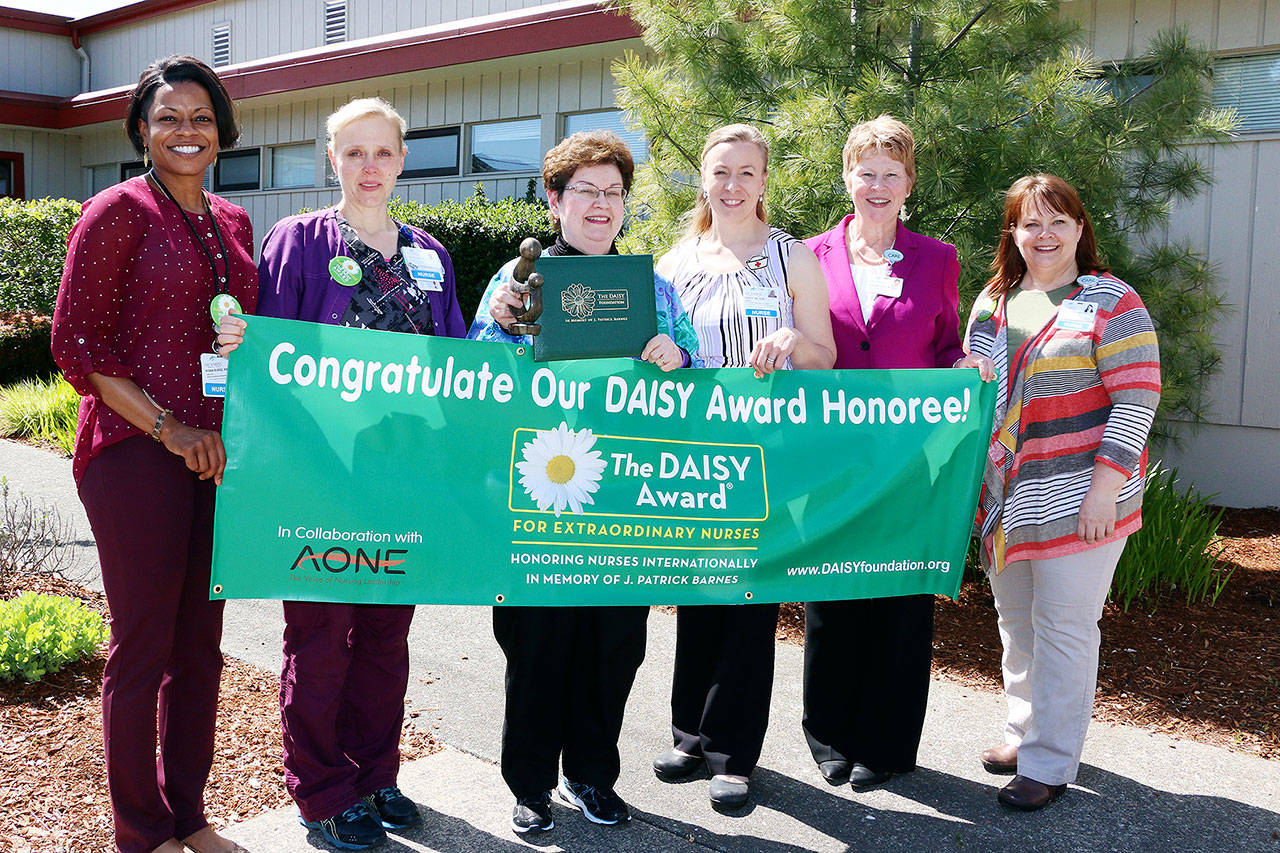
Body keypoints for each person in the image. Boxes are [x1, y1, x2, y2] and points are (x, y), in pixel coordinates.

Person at [218, 97, 466, 850]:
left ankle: (376, 772)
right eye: (353, 152)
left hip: (404, 481)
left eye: (383, 152)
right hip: (320, 478)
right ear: (332, 159)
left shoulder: (430, 253)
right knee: (321, 638)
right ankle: (322, 788)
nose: (369, 167)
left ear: (402, 159)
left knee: (387, 638)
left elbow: (456, 363)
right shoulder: (297, 240)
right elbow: (271, 363)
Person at [469, 128, 702, 835]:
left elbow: (693, 376)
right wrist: (503, 330)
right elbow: (477, 380)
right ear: (553, 199)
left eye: (613, 193)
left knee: (612, 646)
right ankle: (531, 783)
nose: (601, 205)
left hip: (623, 500)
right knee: (538, 646)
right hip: (540, 495)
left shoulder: (652, 286)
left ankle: (593, 776)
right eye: (585, 191)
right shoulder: (516, 282)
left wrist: (678, 357)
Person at [50, 56, 255, 853]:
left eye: (201, 118)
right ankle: (141, 831)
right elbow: (81, 347)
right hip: (136, 450)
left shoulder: (232, 223)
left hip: (217, 458)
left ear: (222, 131)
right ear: (141, 128)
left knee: (201, 645)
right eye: (168, 116)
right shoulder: (115, 211)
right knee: (143, 644)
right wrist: (174, 428)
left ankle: (189, 815)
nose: (186, 131)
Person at [800, 115, 993, 791]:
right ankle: (829, 734)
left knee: (901, 600)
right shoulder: (809, 254)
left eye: (891, 173)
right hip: (833, 457)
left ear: (910, 182)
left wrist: (963, 363)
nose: (877, 185)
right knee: (833, 599)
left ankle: (884, 745)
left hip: (912, 462)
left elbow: (941, 347)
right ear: (847, 177)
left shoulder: (938, 259)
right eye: (865, 171)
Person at [651, 123, 836, 810]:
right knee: (698, 593)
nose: (733, 185)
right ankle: (689, 733)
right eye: (721, 172)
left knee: (750, 600)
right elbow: (656, 354)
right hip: (693, 454)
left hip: (768, 453)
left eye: (746, 173)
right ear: (703, 177)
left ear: (764, 180)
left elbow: (825, 354)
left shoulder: (791, 257)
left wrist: (792, 337)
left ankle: (733, 754)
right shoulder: (675, 261)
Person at [962, 174, 1160, 810]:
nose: (1043, 235)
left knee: (1066, 627)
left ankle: (1050, 762)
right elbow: (975, 391)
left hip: (1082, 494)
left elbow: (1137, 395)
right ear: (1013, 233)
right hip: (1005, 496)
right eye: (1029, 223)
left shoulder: (1111, 301)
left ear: (1080, 228)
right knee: (1017, 624)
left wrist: (1107, 488)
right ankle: (1024, 733)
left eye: (1057, 222)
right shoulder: (995, 300)